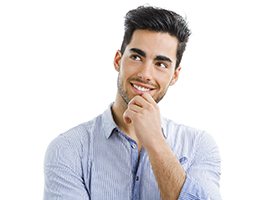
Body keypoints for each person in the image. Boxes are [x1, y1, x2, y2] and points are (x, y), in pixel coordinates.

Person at [44, 5, 221, 200]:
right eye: (136, 57)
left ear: (175, 75)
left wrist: (156, 142)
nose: (145, 74)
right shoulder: (69, 148)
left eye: (161, 64)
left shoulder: (199, 146)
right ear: (118, 60)